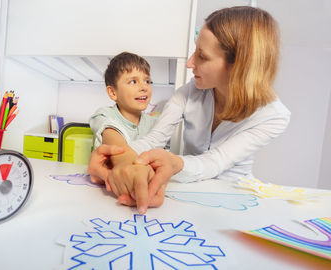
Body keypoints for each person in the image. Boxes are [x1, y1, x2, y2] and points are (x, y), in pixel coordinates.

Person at [88, 6, 291, 212]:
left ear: (238, 66)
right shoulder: (188, 92)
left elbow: (216, 161)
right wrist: (120, 160)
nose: (190, 63)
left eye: (202, 56)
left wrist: (172, 163)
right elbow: (154, 140)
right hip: (186, 191)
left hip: (233, 196)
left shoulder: (273, 116)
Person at [89, 52, 159, 212]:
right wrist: (132, 167)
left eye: (147, 81)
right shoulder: (104, 115)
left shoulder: (154, 124)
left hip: (141, 190)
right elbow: (113, 139)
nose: (144, 87)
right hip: (104, 198)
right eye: (133, 81)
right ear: (113, 93)